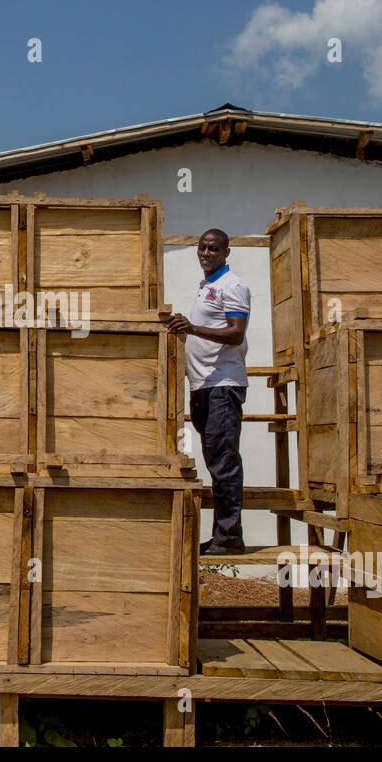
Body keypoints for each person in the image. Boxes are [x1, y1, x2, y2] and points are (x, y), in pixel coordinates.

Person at [167, 228, 250, 555]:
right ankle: (223, 535)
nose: (205, 253)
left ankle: (229, 537)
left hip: (223, 386)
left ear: (226, 252)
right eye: (202, 247)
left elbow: (235, 333)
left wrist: (192, 328)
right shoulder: (208, 287)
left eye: (213, 249)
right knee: (215, 459)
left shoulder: (233, 286)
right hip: (204, 386)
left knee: (224, 462)